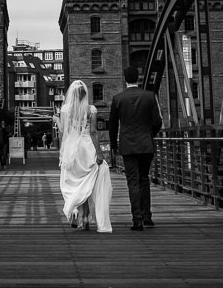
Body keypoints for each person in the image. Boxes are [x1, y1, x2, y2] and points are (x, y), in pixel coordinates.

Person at [109, 65, 163, 231]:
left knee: (133, 181)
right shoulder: (149, 96)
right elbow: (158, 121)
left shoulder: (118, 99)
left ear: (125, 79)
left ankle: (137, 220)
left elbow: (112, 125)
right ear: (138, 78)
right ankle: (148, 217)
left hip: (128, 146)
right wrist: (149, 134)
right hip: (146, 145)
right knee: (144, 178)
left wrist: (113, 145)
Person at [58, 80, 112, 233]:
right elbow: (93, 132)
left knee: (74, 184)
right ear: (84, 94)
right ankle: (86, 216)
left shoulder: (65, 109)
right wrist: (99, 152)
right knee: (86, 184)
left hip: (71, 150)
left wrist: (62, 154)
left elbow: (63, 133)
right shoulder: (91, 109)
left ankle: (78, 212)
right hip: (87, 149)